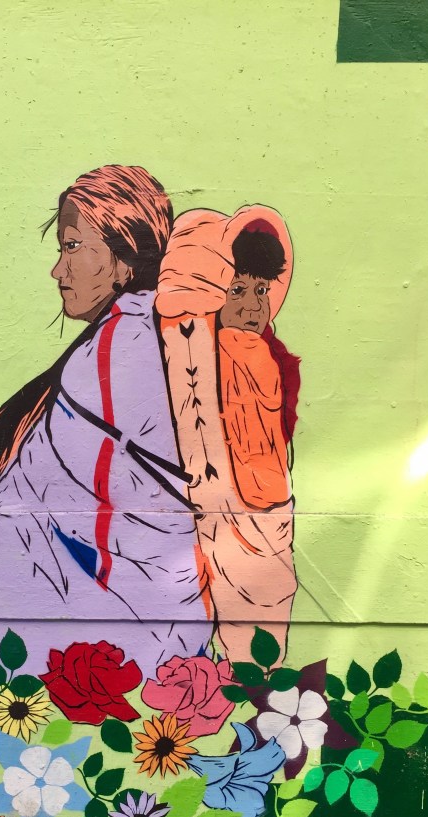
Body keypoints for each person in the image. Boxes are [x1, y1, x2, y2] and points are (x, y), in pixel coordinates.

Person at [0, 166, 211, 678]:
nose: (57, 270)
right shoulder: (139, 341)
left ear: (123, 259)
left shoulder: (124, 347)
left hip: (76, 661)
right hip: (96, 655)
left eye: (71, 246)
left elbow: (137, 524)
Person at [155, 206, 300, 664]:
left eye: (262, 290)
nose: (254, 306)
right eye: (237, 290)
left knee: (253, 649)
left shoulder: (264, 355)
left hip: (263, 515)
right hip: (234, 516)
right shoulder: (195, 351)